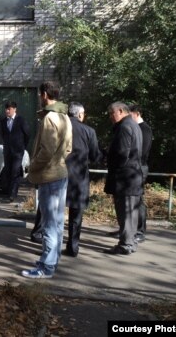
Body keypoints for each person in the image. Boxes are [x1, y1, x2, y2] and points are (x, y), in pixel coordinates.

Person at [22, 82, 72, 279]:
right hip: (61, 173)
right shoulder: (65, 116)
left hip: (49, 176)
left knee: (49, 224)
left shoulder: (50, 118)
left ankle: (46, 267)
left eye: (39, 94)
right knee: (57, 222)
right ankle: (52, 260)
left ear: (44, 95)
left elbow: (47, 150)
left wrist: (32, 166)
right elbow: (69, 147)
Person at [104, 102, 143, 255]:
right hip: (133, 177)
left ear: (120, 111)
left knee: (125, 213)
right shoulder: (134, 125)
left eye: (111, 113)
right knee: (131, 214)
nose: (110, 117)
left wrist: (109, 161)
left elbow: (122, 153)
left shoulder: (125, 127)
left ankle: (125, 244)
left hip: (125, 179)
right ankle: (130, 242)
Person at [64, 102, 102, 257]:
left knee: (54, 213)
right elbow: (94, 156)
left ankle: (49, 247)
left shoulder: (61, 128)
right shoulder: (89, 131)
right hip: (79, 178)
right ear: (80, 114)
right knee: (76, 215)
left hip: (59, 175)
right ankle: (73, 247)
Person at [129, 104, 152, 243]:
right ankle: (127, 229)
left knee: (138, 199)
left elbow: (142, 150)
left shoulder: (145, 129)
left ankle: (140, 230)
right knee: (129, 199)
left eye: (130, 114)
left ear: (137, 114)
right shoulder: (135, 128)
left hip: (140, 167)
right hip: (133, 166)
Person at [0, 101, 30, 202]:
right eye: (6, 109)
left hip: (18, 152)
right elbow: (3, 135)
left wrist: (22, 147)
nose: (7, 111)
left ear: (14, 109)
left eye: (9, 109)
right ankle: (8, 193)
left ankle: (13, 194)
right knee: (7, 171)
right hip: (7, 151)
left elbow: (27, 135)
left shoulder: (21, 120)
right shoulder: (3, 121)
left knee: (15, 171)